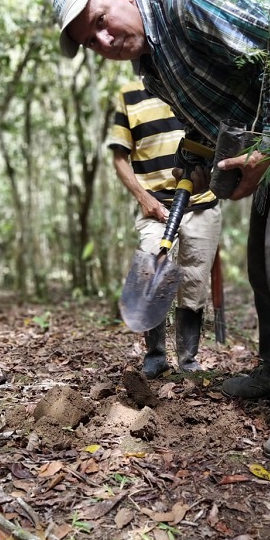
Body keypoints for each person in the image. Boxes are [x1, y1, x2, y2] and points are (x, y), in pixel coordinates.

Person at [50, 0, 270, 462]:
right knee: (262, 260)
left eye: (101, 20)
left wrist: (265, 146)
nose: (105, 38)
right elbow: (211, 122)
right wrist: (195, 165)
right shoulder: (152, 68)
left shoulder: (184, 2)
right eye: (92, 39)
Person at [107, 78, 221, 378]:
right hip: (155, 207)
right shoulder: (129, 94)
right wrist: (142, 197)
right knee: (150, 271)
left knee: (194, 281)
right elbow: (119, 156)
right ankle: (155, 355)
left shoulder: (193, 81)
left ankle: (188, 360)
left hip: (201, 204)